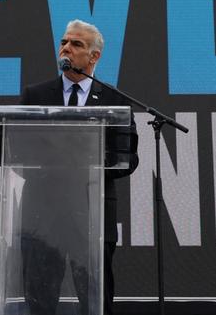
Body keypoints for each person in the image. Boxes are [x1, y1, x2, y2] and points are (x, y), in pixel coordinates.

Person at [19, 19, 138, 315]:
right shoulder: (35, 96)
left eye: (76, 44)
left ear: (94, 56)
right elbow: (19, 152)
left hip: (92, 215)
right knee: (40, 302)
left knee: (96, 302)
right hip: (42, 217)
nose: (66, 49)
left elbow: (128, 158)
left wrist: (81, 165)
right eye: (64, 42)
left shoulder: (115, 101)